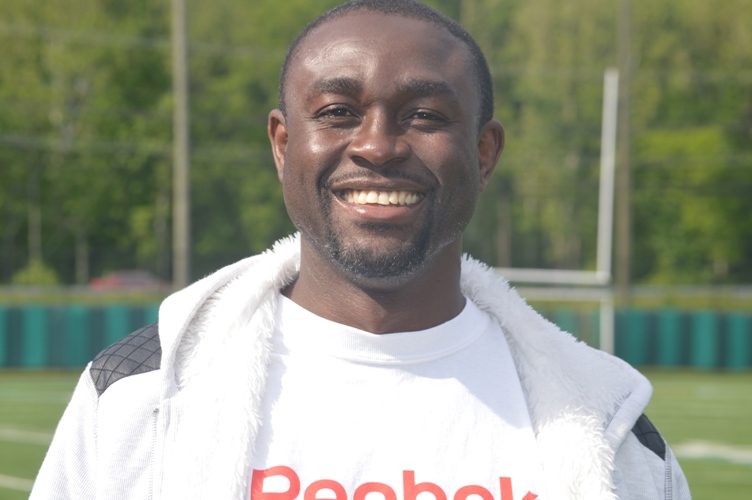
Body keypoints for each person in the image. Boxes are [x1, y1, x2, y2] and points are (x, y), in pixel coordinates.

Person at [31, 1, 690, 499]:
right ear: (282, 145)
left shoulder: (610, 432)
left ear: (484, 153)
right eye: (338, 112)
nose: (377, 146)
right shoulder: (136, 395)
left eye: (424, 116)